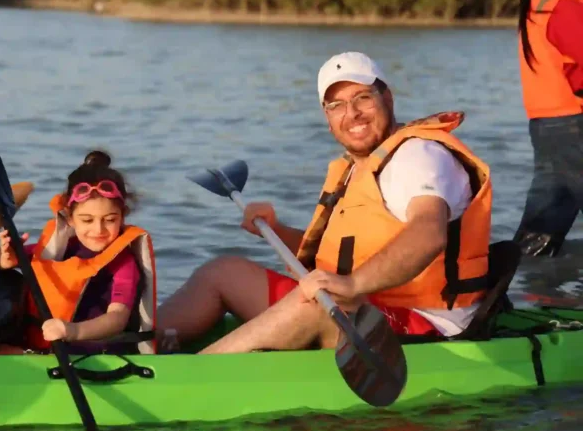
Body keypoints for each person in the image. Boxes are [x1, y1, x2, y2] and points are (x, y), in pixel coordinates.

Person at [157, 52, 493, 354]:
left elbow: (429, 234)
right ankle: (128, 345)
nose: (353, 114)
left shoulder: (420, 156)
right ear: (326, 114)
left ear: (386, 97)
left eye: (363, 97)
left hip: (426, 323)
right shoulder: (354, 167)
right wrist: (274, 230)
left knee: (316, 303)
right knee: (223, 272)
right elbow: (343, 256)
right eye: (337, 105)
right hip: (361, 303)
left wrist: (352, 286)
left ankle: (189, 377)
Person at [0, 151, 157, 354]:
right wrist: (4, 257)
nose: (98, 230)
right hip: (45, 349)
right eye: (87, 220)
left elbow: (117, 318)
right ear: (69, 218)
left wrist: (72, 331)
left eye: (110, 219)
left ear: (123, 216)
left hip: (97, 353)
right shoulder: (58, 248)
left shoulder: (124, 263)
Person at [511, 0, 583, 257]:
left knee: (542, 225)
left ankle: (507, 291)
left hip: (546, 126)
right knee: (545, 219)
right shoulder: (565, 8)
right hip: (573, 125)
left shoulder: (538, 5)